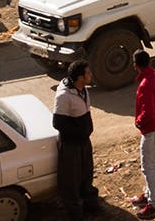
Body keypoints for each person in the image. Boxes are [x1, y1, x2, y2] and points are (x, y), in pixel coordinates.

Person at [52, 63, 97, 220]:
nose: (91, 74)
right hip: (71, 145)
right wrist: (78, 134)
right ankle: (75, 213)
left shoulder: (82, 89)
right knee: (71, 180)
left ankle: (90, 205)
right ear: (80, 78)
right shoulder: (64, 96)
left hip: (84, 141)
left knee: (87, 174)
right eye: (88, 72)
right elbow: (58, 123)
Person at [132, 50, 155, 218]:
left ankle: (153, 204)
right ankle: (148, 195)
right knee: (153, 164)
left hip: (152, 129)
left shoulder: (145, 84)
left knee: (148, 166)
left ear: (135, 66)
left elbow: (147, 113)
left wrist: (138, 122)